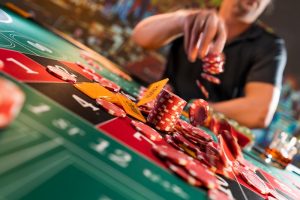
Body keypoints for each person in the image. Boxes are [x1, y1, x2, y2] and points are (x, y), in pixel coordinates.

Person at [132, 0, 287, 129]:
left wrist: (190, 109)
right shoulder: (195, 14)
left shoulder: (270, 46)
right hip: (156, 116)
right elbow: (140, 37)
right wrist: (183, 20)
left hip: (206, 136)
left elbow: (258, 113)